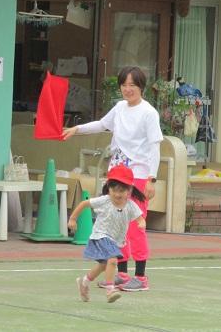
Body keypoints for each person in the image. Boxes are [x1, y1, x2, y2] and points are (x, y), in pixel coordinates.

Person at [63, 66, 163, 291]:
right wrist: (77, 129)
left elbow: (155, 146)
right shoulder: (119, 108)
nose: (128, 89)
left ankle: (141, 278)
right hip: (116, 175)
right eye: (124, 85)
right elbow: (101, 124)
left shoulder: (149, 113)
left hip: (137, 177)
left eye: (132, 85)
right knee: (117, 227)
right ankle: (122, 274)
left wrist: (151, 179)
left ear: (141, 87)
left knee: (135, 227)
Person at [69, 164, 146, 303]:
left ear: (129, 190)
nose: (117, 194)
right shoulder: (104, 201)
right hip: (100, 235)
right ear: (108, 188)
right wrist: (73, 219)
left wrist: (141, 223)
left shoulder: (130, 205)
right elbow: (84, 204)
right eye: (114, 190)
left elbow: (140, 218)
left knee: (104, 265)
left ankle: (84, 282)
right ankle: (110, 290)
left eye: (122, 191)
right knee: (112, 259)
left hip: (115, 240)